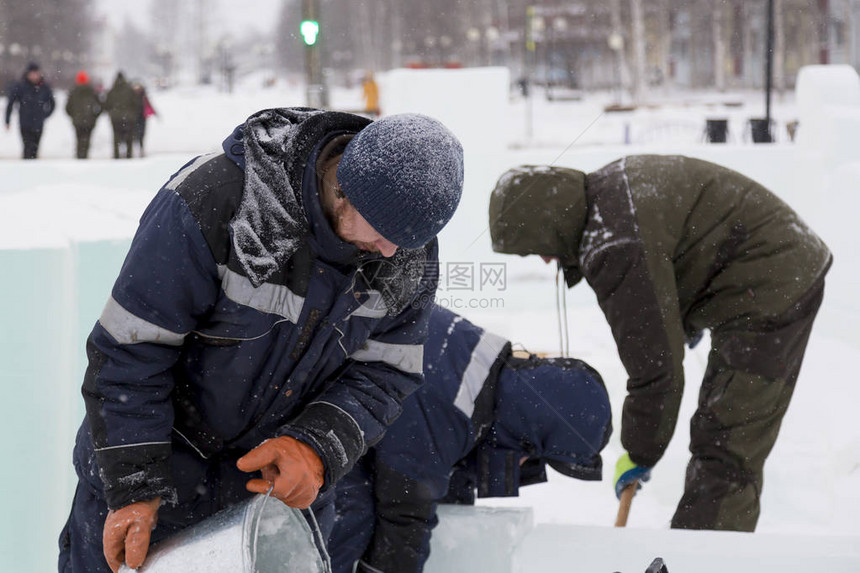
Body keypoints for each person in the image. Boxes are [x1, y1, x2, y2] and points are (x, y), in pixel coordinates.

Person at [57, 108, 464, 573]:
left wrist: (315, 447)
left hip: (275, 512)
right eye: (384, 232)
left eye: (407, 242)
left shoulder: (406, 251)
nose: (392, 251)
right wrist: (135, 488)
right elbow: (131, 350)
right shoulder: (216, 201)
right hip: (152, 492)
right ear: (345, 189)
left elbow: (386, 374)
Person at [488, 155, 832, 532]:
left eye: (537, 245)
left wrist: (639, 451)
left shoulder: (614, 242)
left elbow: (657, 370)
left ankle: (703, 559)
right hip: (762, 268)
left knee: (727, 446)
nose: (544, 258)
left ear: (551, 223)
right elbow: (673, 267)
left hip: (773, 281)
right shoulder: (607, 199)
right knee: (721, 437)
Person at [328, 304, 612, 573]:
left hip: (341, 385)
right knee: (349, 514)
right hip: (313, 396)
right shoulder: (452, 408)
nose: (527, 463)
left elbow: (448, 465)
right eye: (536, 458)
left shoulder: (482, 365)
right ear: (528, 438)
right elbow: (406, 513)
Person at [4, 62, 55, 159]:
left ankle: (34, 170)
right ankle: (26, 169)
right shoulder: (20, 86)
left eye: (36, 73)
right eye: (32, 73)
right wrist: (7, 120)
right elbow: (10, 103)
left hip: (38, 124)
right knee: (27, 149)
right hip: (25, 123)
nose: (34, 76)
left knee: (35, 149)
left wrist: (45, 115)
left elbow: (52, 103)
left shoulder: (44, 87)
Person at [65, 70, 103, 159]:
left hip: (78, 122)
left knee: (79, 140)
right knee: (86, 141)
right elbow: (100, 106)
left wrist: (74, 117)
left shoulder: (73, 91)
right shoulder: (91, 91)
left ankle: (79, 157)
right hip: (89, 121)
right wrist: (94, 116)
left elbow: (67, 108)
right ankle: (84, 157)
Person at [103, 71, 141, 159]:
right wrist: (133, 113)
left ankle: (116, 155)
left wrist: (112, 112)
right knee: (129, 137)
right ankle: (129, 154)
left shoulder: (112, 91)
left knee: (116, 137)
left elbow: (106, 104)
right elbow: (136, 103)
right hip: (129, 118)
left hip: (116, 118)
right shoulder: (130, 91)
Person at [131, 81, 157, 157]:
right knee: (134, 135)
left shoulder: (143, 96)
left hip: (142, 118)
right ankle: (135, 150)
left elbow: (148, 104)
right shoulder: (132, 96)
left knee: (141, 134)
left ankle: (141, 149)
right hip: (134, 118)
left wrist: (155, 113)